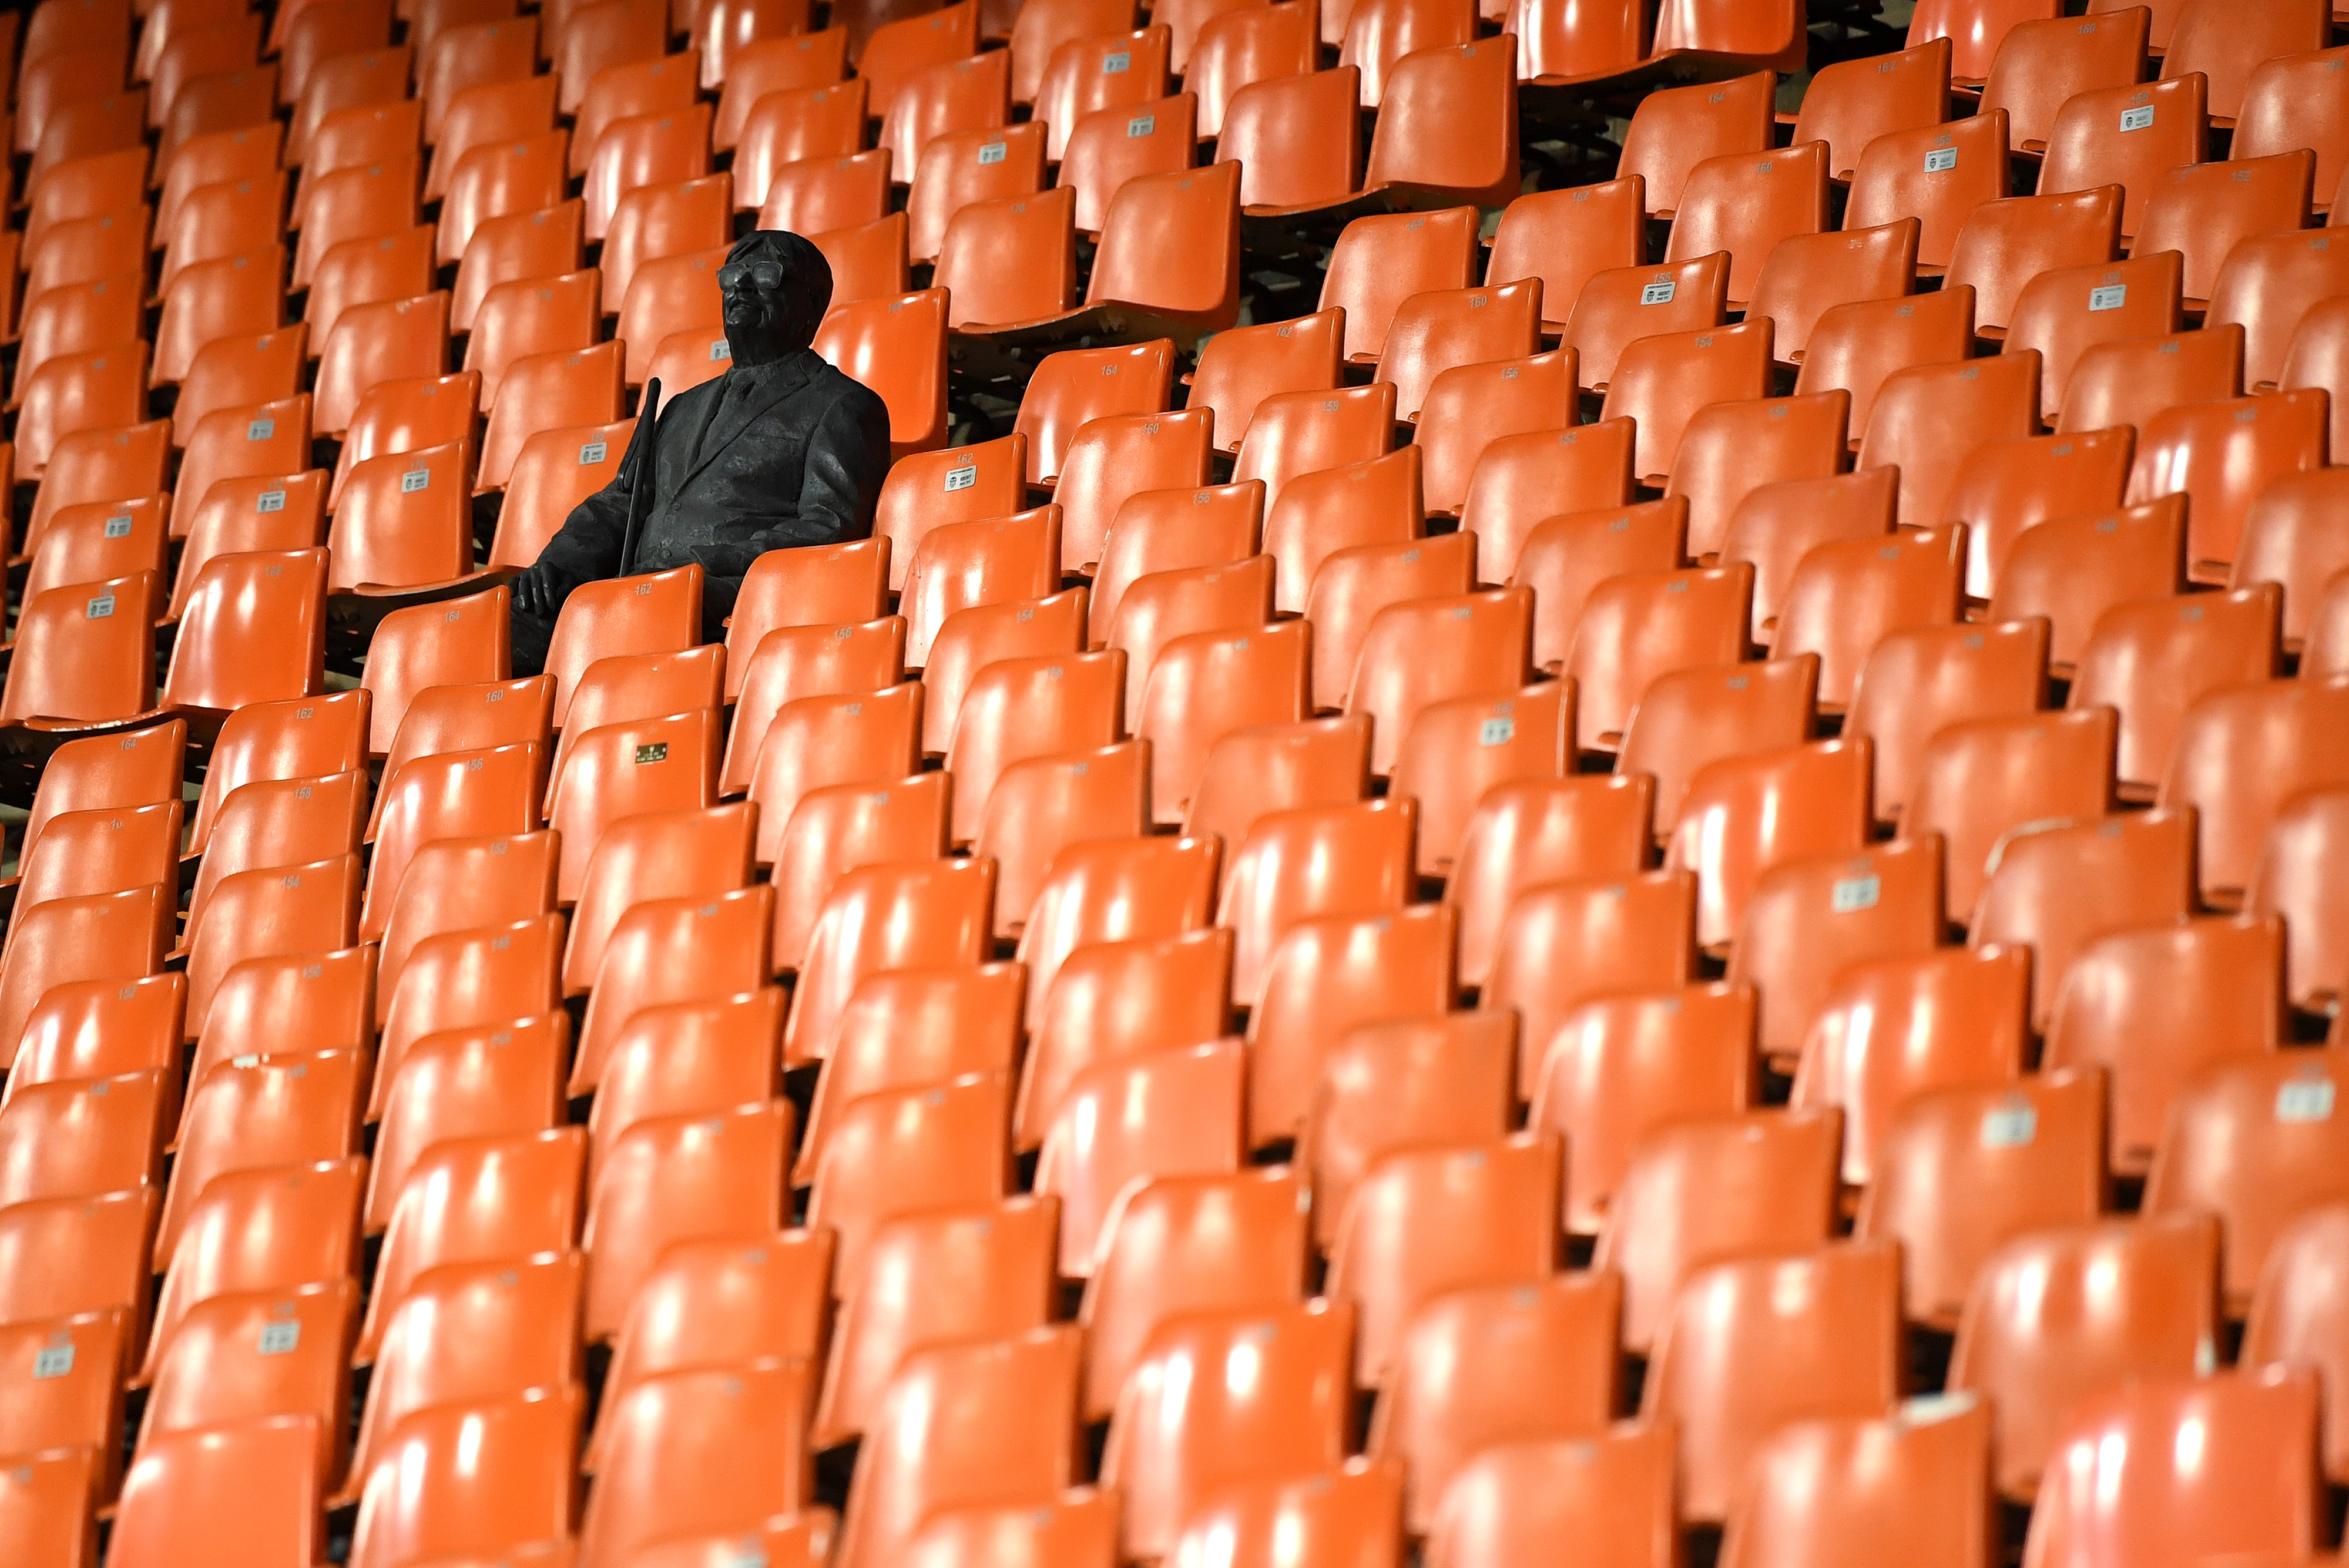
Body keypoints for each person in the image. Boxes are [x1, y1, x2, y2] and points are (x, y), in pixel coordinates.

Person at [506, 229, 894, 673]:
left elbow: (828, 530)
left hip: (729, 593)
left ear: (811, 305)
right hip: (638, 591)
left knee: (625, 618)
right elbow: (618, 506)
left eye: (765, 275)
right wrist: (557, 566)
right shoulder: (679, 407)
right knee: (516, 618)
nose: (741, 288)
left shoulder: (842, 404)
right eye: (731, 277)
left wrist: (699, 566)